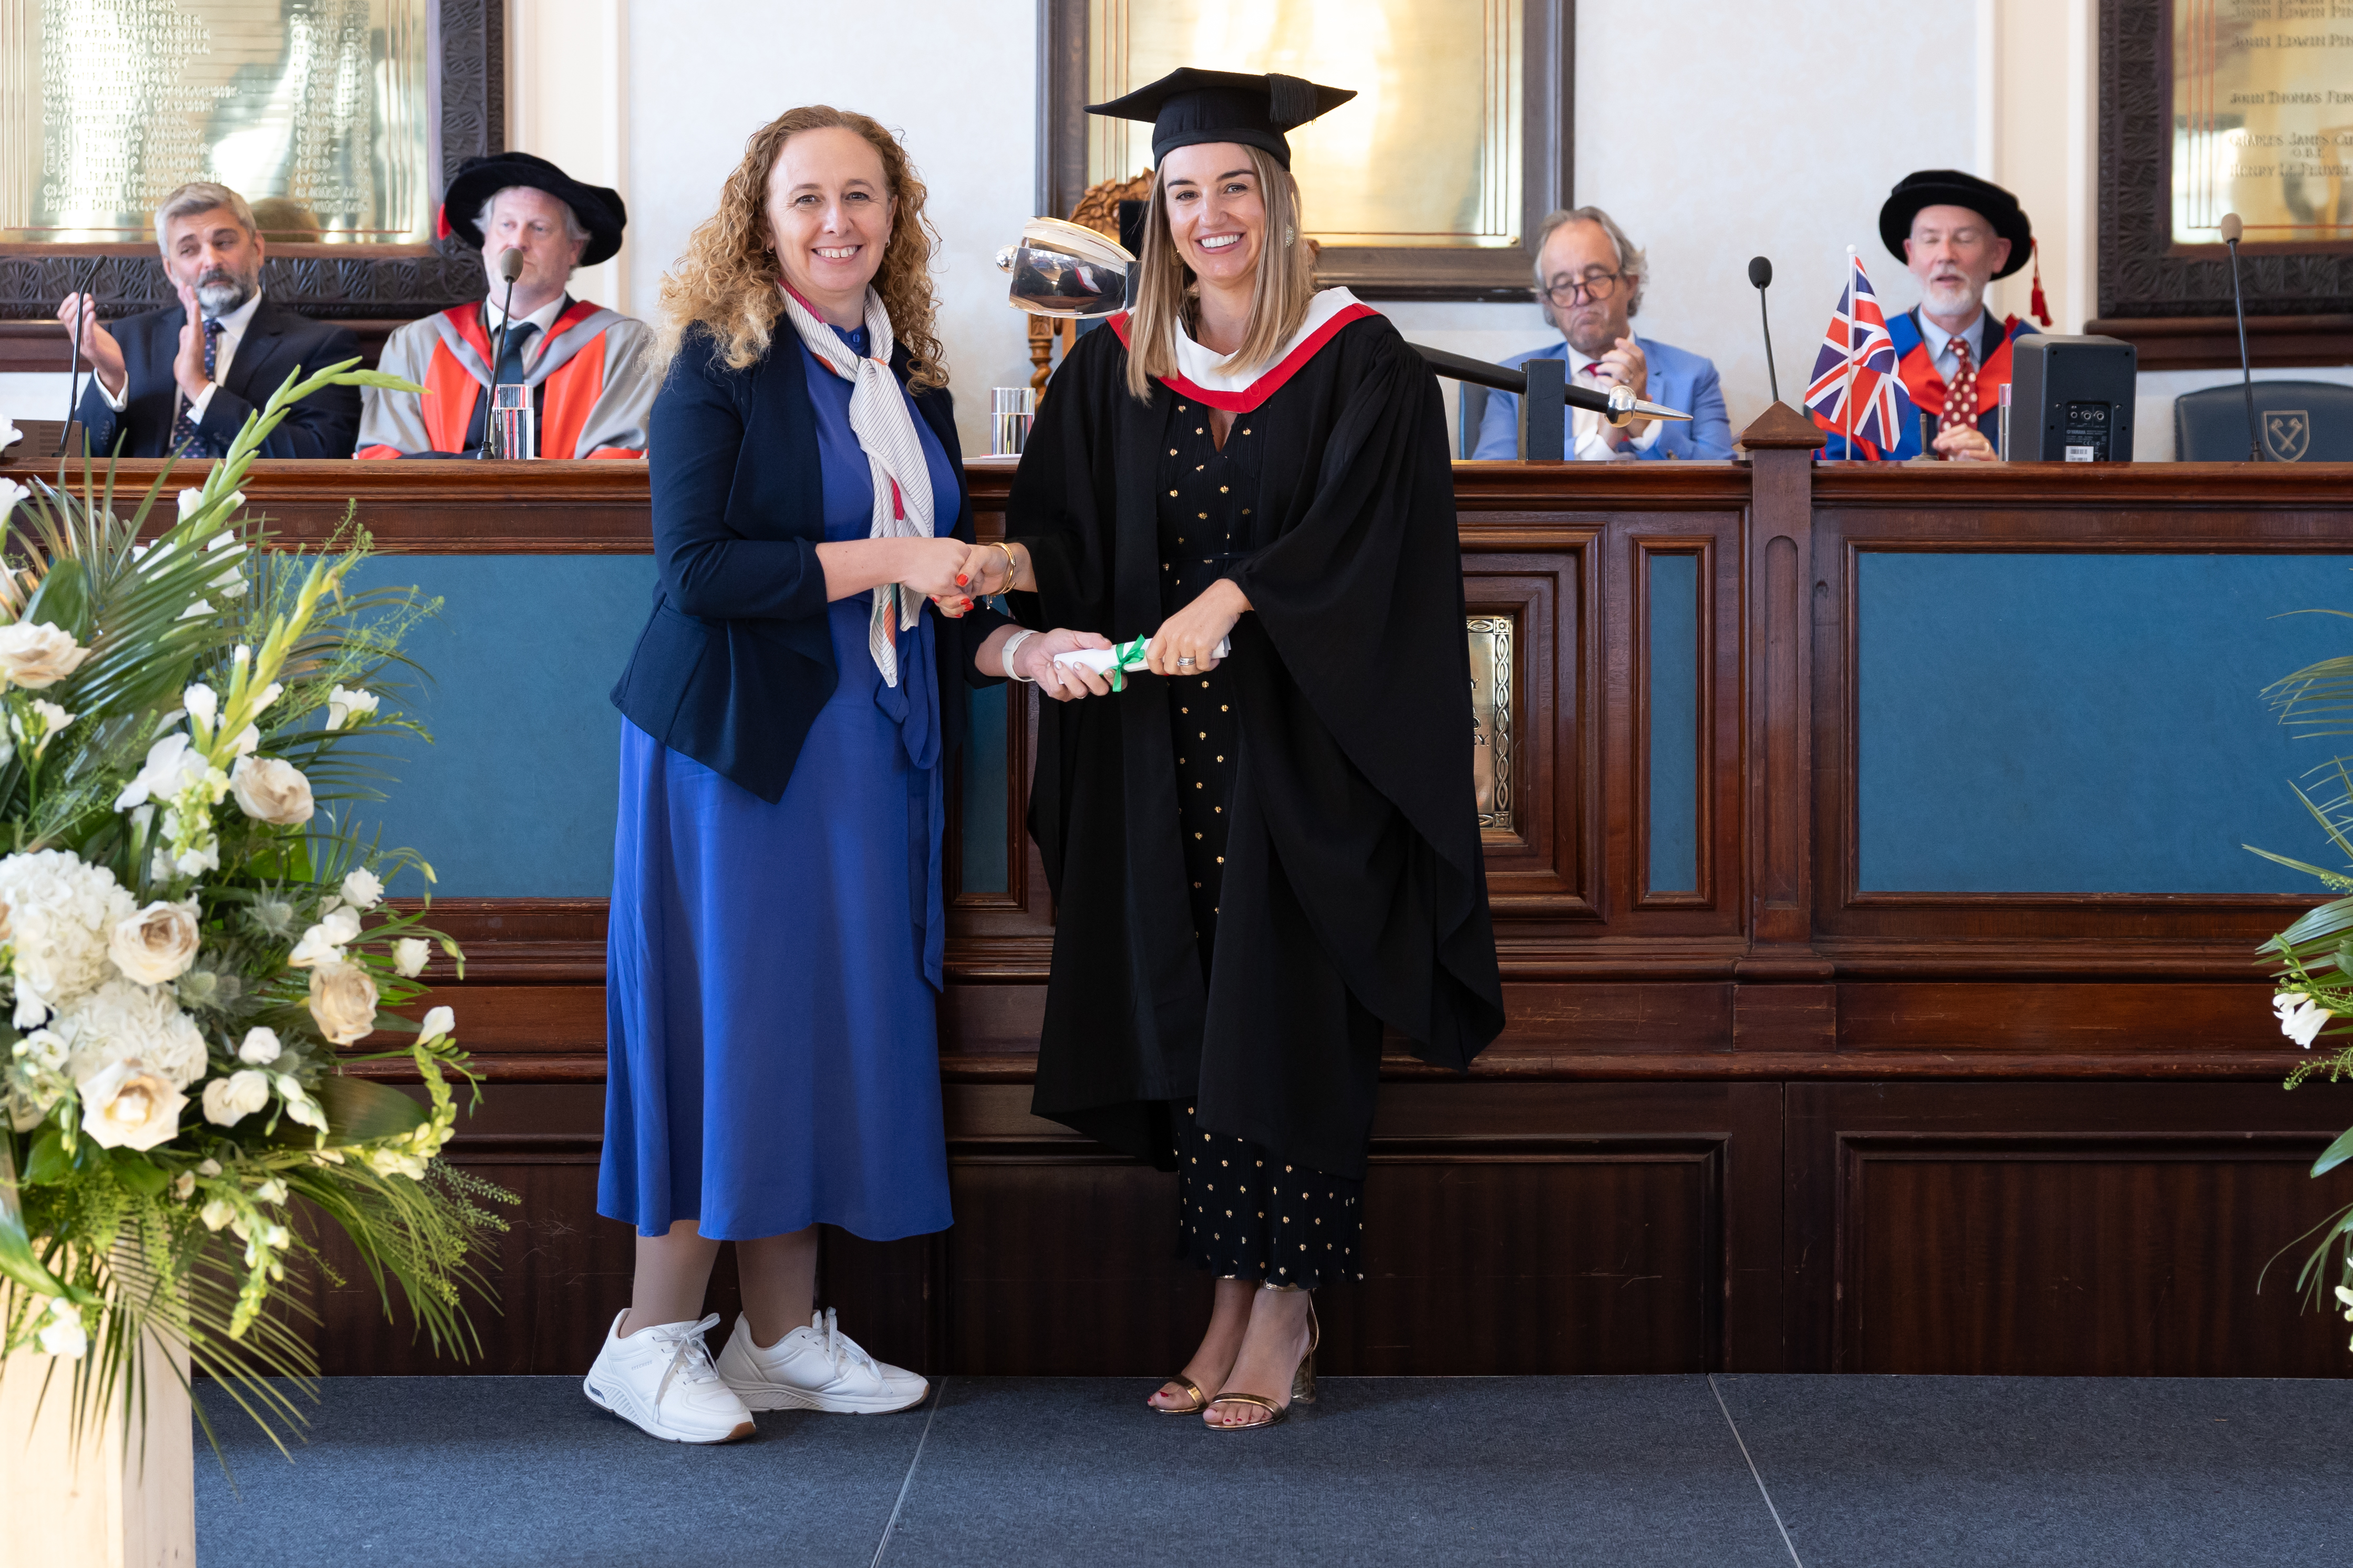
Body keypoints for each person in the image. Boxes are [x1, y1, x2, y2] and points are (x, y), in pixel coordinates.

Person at [960, 68, 1505, 1430]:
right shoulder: (1118, 362)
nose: (1209, 215)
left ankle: (1290, 1304)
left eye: (1233, 190)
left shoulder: (1355, 357)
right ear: (1161, 212)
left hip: (1308, 752)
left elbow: (1373, 543)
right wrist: (1011, 584)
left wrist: (1232, 593)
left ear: (1276, 201)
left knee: (1292, 1019)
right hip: (1163, 755)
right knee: (1202, 1021)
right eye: (1186, 193)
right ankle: (1224, 1292)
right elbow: (1070, 532)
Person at [588, 104, 1108, 1445]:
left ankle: (777, 1337)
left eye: (863, 196)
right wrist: (892, 561)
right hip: (737, 750)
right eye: (808, 197)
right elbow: (697, 573)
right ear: (760, 218)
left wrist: (1018, 635)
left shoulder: (908, 373)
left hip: (864, 748)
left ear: (896, 215)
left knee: (815, 1024)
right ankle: (644, 1339)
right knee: (733, 1021)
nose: (838, 222)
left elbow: (945, 585)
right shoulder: (716, 360)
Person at [356, 152, 654, 459]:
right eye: (506, 225)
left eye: (539, 228)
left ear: (573, 250)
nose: (518, 242)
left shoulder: (623, 346)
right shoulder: (417, 345)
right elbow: (386, 462)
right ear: (485, 241)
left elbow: (620, 466)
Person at [54, 182, 362, 459]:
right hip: (138, 518)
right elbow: (80, 460)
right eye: (189, 250)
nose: (211, 260)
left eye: (224, 243)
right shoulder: (131, 337)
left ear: (257, 250)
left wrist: (200, 389)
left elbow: (322, 456)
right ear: (171, 270)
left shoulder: (322, 347)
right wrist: (111, 378)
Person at [1472, 206, 1732, 461]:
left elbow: (1729, 486)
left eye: (1596, 277)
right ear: (1547, 302)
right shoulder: (1513, 382)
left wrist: (1646, 428)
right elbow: (1491, 486)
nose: (1582, 297)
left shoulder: (1695, 375)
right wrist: (1597, 444)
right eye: (1563, 285)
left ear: (1630, 284)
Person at [1818, 169, 2042, 462]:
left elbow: (2068, 483)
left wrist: (2002, 478)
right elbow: (1832, 482)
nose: (1946, 255)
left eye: (1965, 239)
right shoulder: (1862, 358)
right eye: (1930, 239)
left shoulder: (2038, 364)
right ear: (1910, 254)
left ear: (1998, 254)